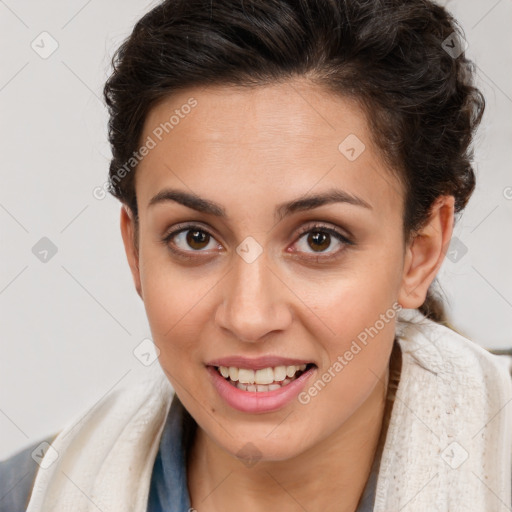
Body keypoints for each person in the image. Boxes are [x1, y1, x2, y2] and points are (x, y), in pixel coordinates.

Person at [1, 0, 511, 511]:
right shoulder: (29, 496)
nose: (248, 317)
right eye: (195, 238)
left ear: (419, 253)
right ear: (135, 250)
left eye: (319, 239)